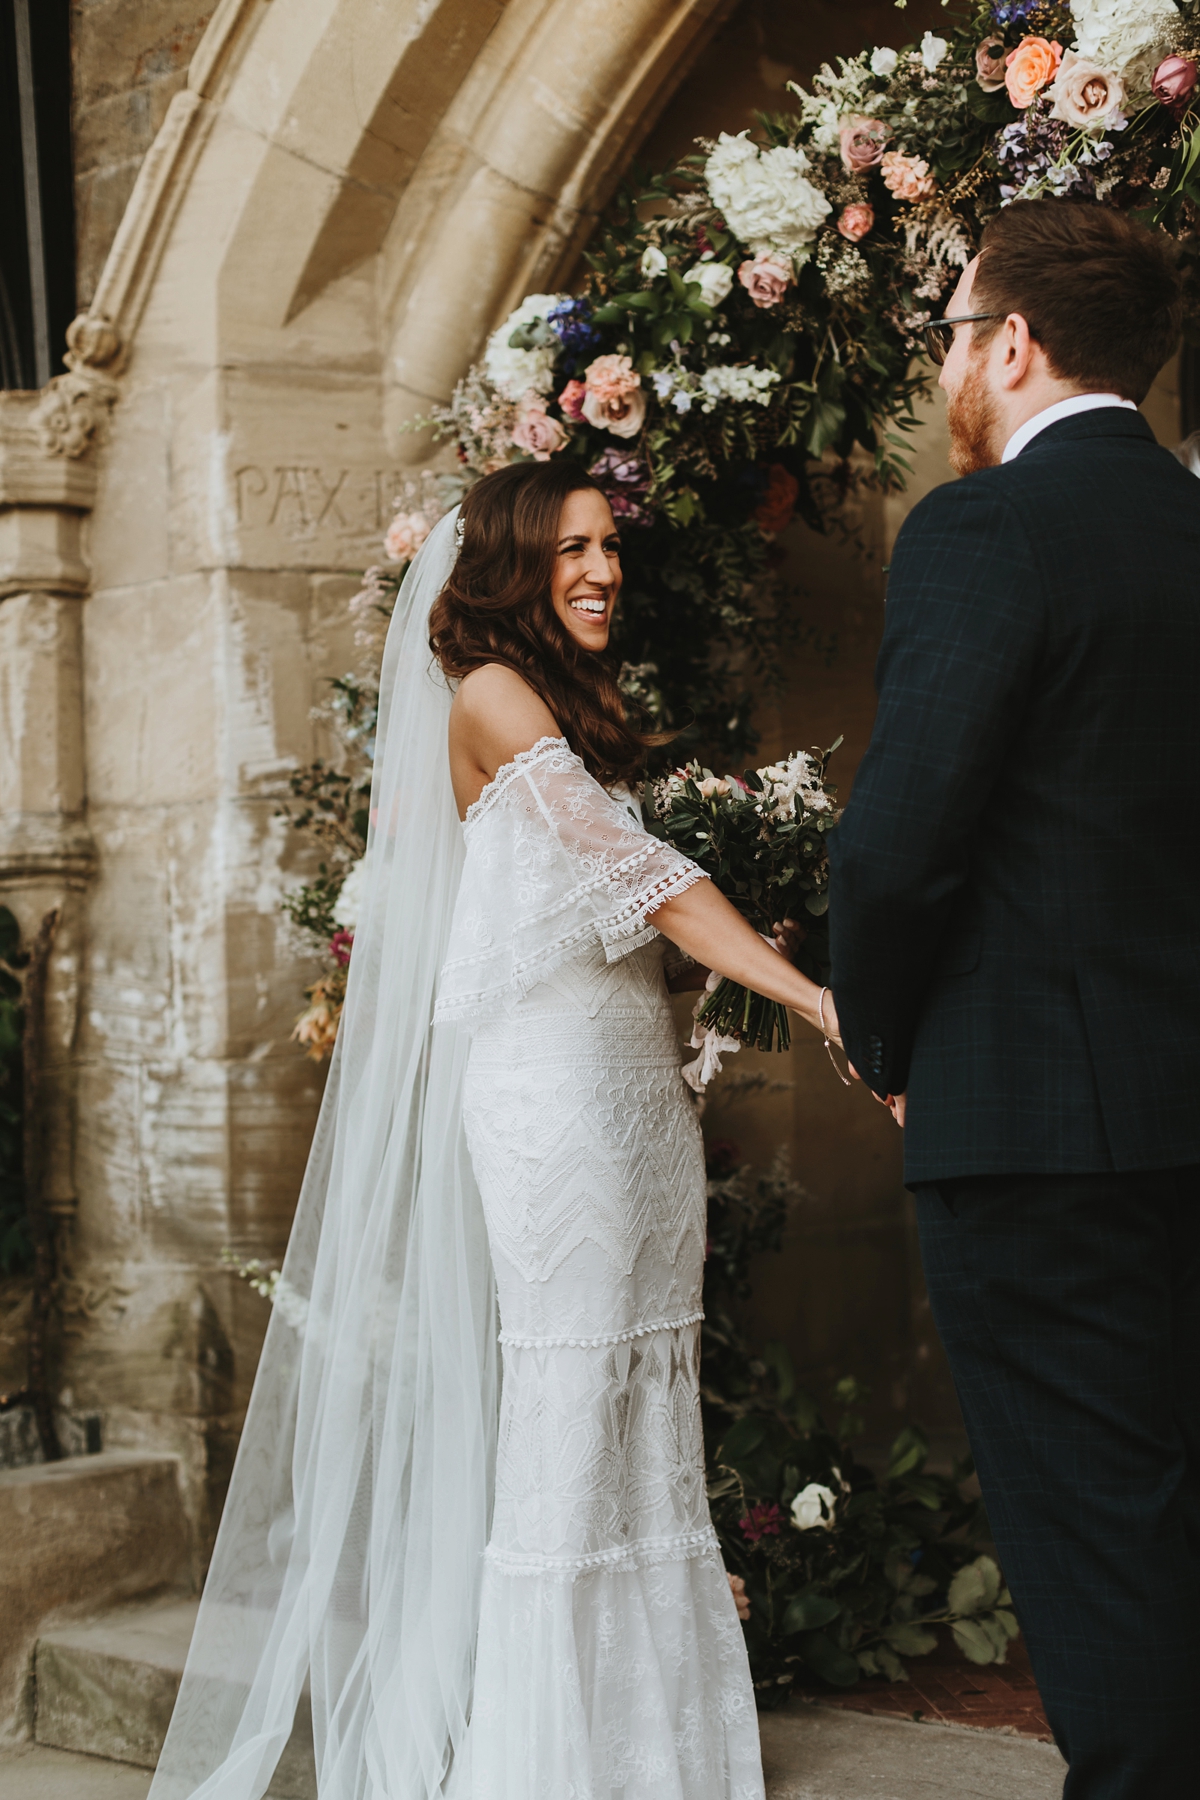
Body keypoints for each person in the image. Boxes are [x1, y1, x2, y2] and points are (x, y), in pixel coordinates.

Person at [149, 459, 836, 1800]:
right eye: (571, 548)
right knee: (572, 1408)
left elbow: (602, 917)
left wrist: (708, 973)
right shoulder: (490, 694)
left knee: (647, 1410)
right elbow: (634, 874)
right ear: (515, 566)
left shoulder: (573, 706)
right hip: (553, 1108)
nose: (602, 570)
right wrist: (811, 996)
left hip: (633, 1095)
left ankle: (659, 1756)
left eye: (609, 546)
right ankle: (552, 1768)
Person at [829, 197, 1200, 1798]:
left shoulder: (984, 531)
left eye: (953, 336)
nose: (944, 372)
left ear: (1016, 344)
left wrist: (886, 1037)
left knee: (1093, 1535)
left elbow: (898, 845)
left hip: (1038, 1125)